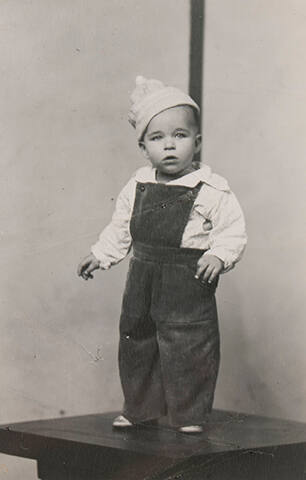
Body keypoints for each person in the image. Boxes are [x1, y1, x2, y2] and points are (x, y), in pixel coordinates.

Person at [77, 76, 247, 434]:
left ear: (197, 141)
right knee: (137, 339)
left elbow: (232, 230)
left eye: (180, 136)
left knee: (189, 344)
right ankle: (139, 408)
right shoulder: (137, 185)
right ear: (143, 147)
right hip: (142, 276)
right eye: (158, 138)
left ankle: (189, 414)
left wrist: (218, 256)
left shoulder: (212, 189)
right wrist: (100, 254)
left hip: (188, 280)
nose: (169, 146)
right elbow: (121, 227)